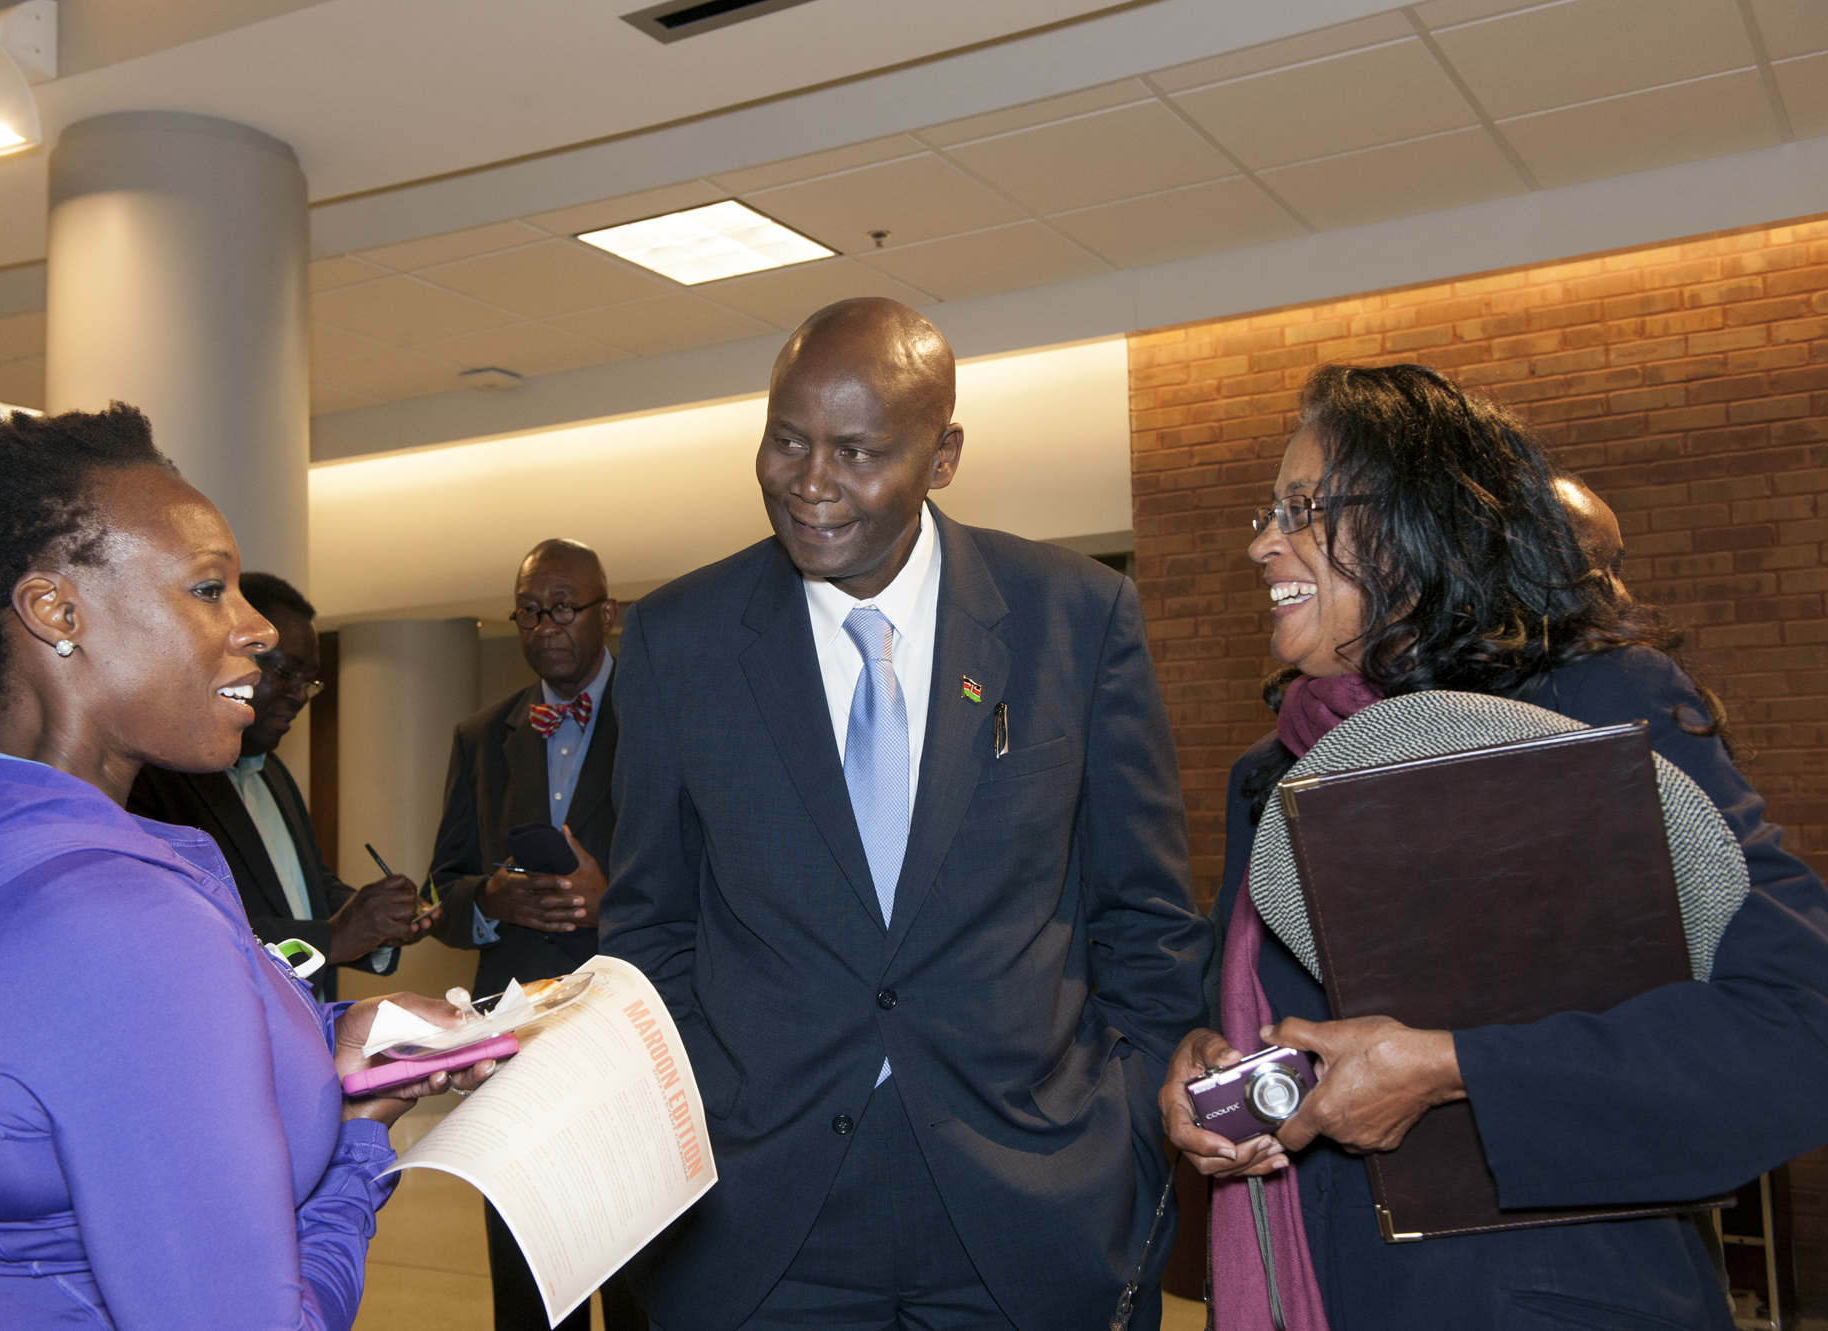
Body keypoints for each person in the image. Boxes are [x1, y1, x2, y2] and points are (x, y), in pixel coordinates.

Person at [1158, 363, 1828, 1329]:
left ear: (1424, 521)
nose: (1265, 542)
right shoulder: (1271, 772)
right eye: (1268, 511)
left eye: (1304, 507)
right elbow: (1277, 1019)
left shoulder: (1591, 705)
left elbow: (1794, 1028)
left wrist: (1448, 1065)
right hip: (1321, 1291)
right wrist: (1198, 1067)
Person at [601, 298, 1211, 1331]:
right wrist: (704, 1106)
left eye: (856, 450)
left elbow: (1143, 913)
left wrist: (1125, 1138)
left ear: (942, 456)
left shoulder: (1075, 615)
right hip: (760, 1212)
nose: (807, 482)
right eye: (785, 439)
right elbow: (648, 922)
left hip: (1030, 1199)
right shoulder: (676, 639)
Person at [0, 405, 496, 1330]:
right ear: (57, 612)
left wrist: (338, 1030)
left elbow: (79, 1075)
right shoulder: (118, 925)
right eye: (208, 588)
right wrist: (357, 1141)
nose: (259, 627)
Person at [429, 537, 644, 1331]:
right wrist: (489, 899)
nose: (545, 624)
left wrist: (609, 900)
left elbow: (715, 877)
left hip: (626, 1028)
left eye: (564, 606)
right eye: (529, 609)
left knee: (631, 1256)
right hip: (514, 1038)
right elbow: (440, 889)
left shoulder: (661, 722)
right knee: (525, 1261)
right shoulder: (481, 735)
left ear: (606, 613)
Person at [129, 571, 427, 1000]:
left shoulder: (274, 773)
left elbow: (306, 888)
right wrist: (332, 936)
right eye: (285, 671)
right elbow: (179, 929)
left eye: (308, 681)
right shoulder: (157, 779)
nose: (299, 694)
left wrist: (379, 917)